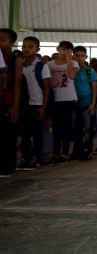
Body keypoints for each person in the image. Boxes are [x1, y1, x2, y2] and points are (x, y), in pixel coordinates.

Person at [18, 36, 50, 169]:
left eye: (30, 47)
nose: (26, 49)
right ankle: (26, 157)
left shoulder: (42, 66)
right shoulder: (19, 65)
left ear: (37, 49)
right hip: (23, 104)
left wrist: (43, 108)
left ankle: (35, 157)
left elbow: (47, 88)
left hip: (37, 103)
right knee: (24, 132)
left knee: (37, 132)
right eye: (24, 46)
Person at [0, 29, 22, 176]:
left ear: (11, 43)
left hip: (9, 99)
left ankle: (9, 165)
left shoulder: (15, 58)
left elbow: (18, 83)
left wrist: (15, 106)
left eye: (3, 39)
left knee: (8, 134)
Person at [71, 46, 97, 160]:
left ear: (86, 57)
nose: (79, 58)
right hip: (74, 105)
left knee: (88, 129)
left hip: (87, 104)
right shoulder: (71, 70)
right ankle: (76, 150)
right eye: (77, 55)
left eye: (82, 56)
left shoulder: (89, 70)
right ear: (73, 56)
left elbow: (95, 88)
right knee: (76, 128)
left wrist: (93, 104)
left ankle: (87, 150)